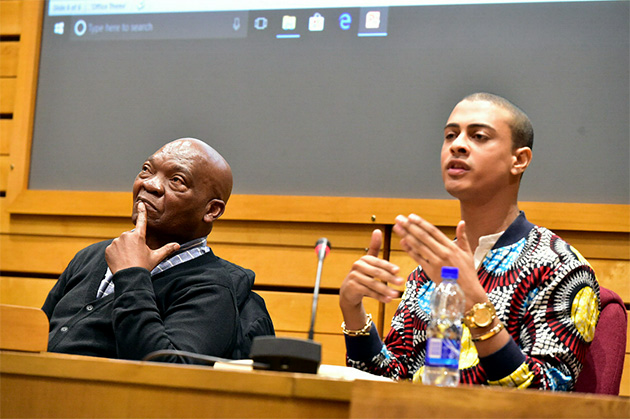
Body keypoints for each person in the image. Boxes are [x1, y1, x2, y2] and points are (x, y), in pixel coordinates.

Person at [339, 93, 600, 390]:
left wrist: (474, 302)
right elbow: (392, 383)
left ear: (519, 159)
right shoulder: (431, 271)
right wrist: (353, 311)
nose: (457, 145)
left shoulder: (560, 267)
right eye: (451, 135)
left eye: (478, 136)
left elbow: (543, 398)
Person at [42, 137, 273, 362]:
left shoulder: (212, 288)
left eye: (177, 180)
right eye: (146, 169)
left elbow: (167, 372)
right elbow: (35, 336)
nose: (149, 184)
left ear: (211, 210)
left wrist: (131, 276)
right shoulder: (91, 256)